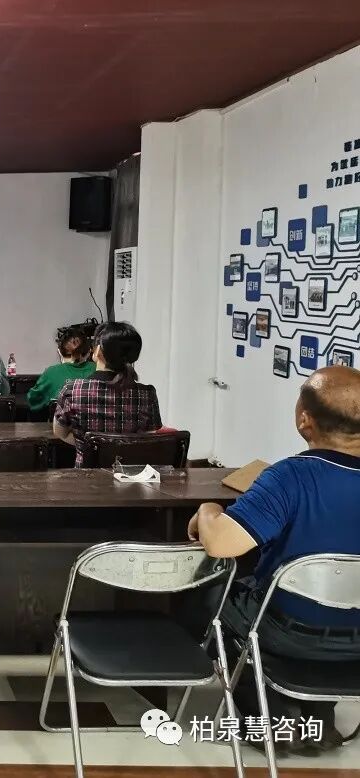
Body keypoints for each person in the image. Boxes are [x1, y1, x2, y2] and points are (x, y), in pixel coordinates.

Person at [187, 366, 360, 753]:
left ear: (304, 420)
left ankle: (264, 717)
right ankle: (318, 718)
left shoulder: (291, 477)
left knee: (208, 594)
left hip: (289, 632)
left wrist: (208, 509)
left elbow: (221, 544)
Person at [53, 322, 162, 466]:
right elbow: (148, 439)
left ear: (97, 350)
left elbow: (60, 432)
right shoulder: (147, 394)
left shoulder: (72, 390)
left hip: (86, 476)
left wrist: (88, 446)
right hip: (130, 476)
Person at [26, 324, 96, 413]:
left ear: (59, 351)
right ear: (89, 352)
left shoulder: (51, 373)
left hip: (59, 421)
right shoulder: (97, 370)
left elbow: (33, 401)